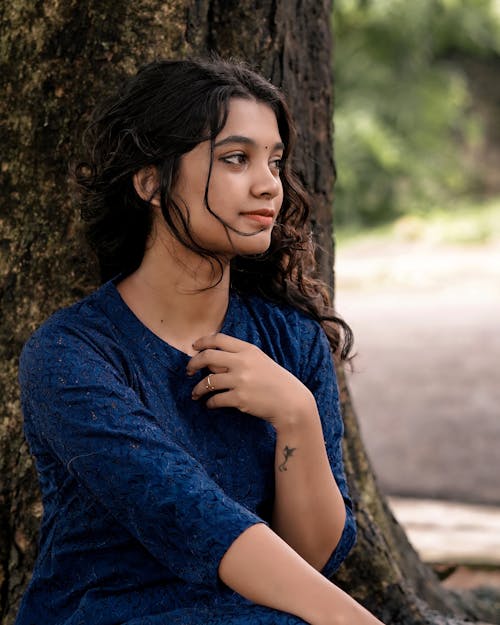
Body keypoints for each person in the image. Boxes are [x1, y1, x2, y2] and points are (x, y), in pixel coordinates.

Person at [16, 58, 385, 625]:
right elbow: (190, 515)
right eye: (236, 158)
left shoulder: (290, 340)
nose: (269, 184)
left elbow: (310, 561)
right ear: (152, 182)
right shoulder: (72, 354)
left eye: (276, 161)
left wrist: (298, 415)